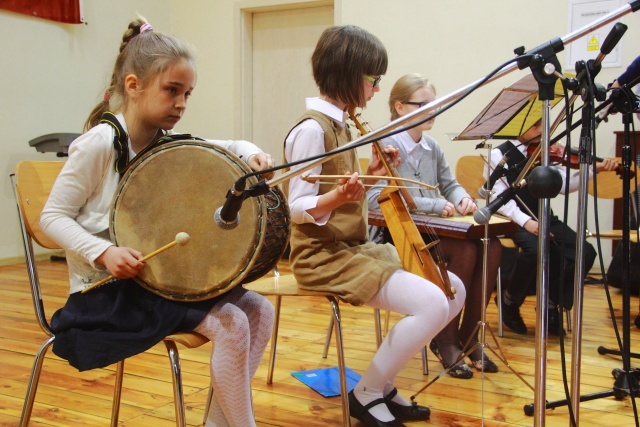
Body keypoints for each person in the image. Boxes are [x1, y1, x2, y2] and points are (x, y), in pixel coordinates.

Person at [40, 18, 276, 427]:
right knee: (232, 322)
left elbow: (232, 146)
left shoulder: (168, 142)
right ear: (133, 86)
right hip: (107, 291)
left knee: (260, 311)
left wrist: (254, 156)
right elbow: (52, 217)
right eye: (172, 90)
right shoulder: (99, 143)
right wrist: (105, 251)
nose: (182, 102)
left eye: (187, 93)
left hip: (156, 282)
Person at [283, 26, 466, 427]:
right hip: (321, 256)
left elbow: (345, 191)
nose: (377, 89)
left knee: (454, 290)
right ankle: (366, 394)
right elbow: (295, 207)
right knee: (434, 302)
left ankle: (381, 385)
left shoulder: (343, 124)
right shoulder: (312, 129)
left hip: (351, 249)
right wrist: (340, 197)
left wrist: (369, 175)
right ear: (349, 74)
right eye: (373, 79)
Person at [367, 74, 501, 379]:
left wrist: (462, 199)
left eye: (435, 105)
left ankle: (470, 337)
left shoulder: (432, 146)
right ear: (400, 107)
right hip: (398, 237)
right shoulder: (385, 145)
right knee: (466, 251)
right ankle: (445, 340)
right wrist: (435, 204)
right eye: (423, 105)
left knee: (492, 247)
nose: (433, 111)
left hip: (436, 231)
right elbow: (375, 200)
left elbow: (449, 184)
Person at [488, 120, 618, 336]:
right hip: (512, 218)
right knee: (536, 250)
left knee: (584, 252)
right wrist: (527, 222)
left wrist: (595, 170)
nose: (542, 131)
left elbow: (564, 185)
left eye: (543, 125)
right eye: (535, 125)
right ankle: (509, 301)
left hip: (543, 215)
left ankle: (550, 303)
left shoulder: (546, 151)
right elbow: (498, 196)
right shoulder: (499, 154)